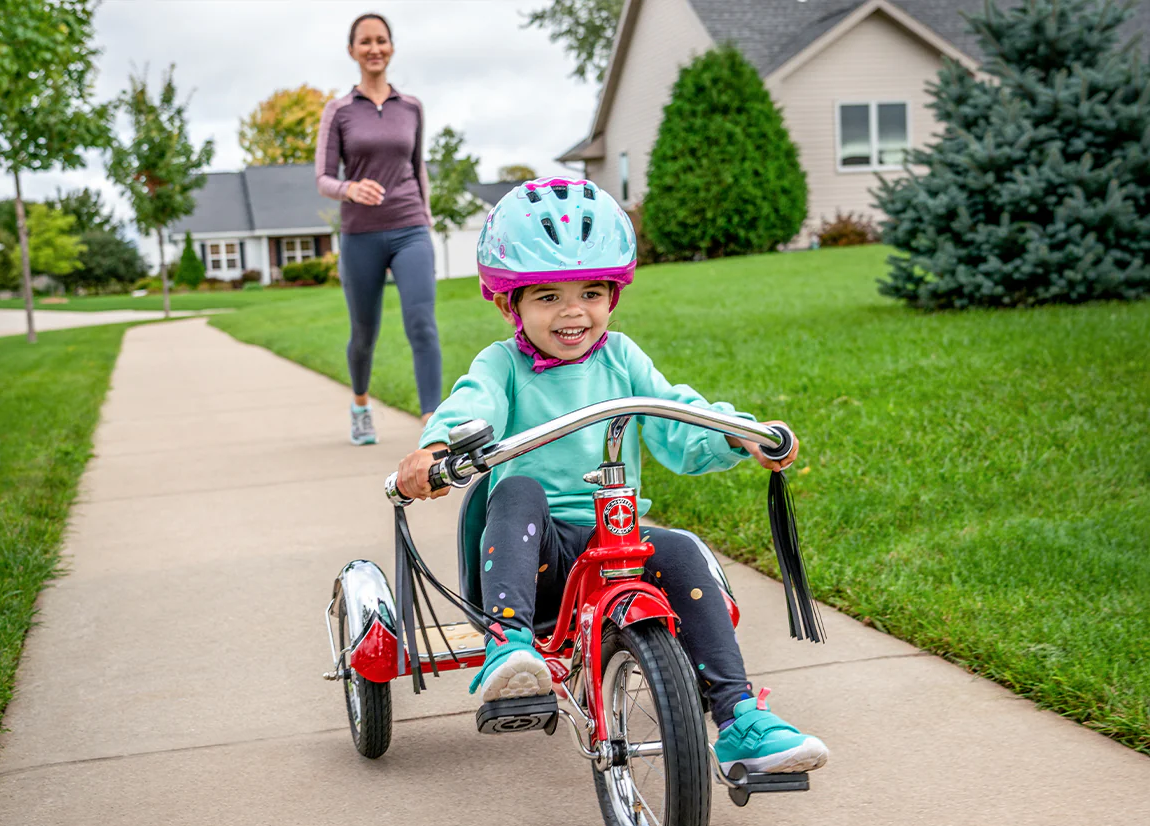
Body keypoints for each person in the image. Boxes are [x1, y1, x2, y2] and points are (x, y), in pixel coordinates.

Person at [395, 178, 828, 775]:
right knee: (518, 489)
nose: (574, 312)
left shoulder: (623, 357)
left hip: (612, 540)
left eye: (591, 292)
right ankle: (510, 645)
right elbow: (475, 403)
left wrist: (737, 433)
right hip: (537, 554)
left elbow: (676, 411)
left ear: (613, 295)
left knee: (678, 552)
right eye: (547, 296)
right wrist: (438, 449)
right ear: (508, 304)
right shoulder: (503, 364)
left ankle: (737, 716)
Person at [316, 12, 441, 445]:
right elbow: (323, 178)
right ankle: (361, 405)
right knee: (364, 332)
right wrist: (350, 189)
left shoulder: (412, 108)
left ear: (391, 47)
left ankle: (432, 421)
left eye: (382, 40)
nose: (374, 48)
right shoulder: (339, 111)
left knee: (422, 322)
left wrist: (425, 218)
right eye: (365, 41)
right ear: (352, 50)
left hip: (409, 226)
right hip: (360, 235)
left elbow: (417, 167)